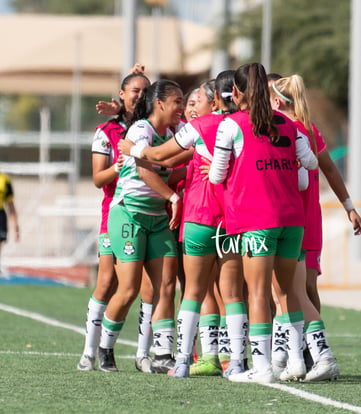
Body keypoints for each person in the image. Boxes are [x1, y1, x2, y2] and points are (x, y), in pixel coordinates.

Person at [120, 70, 248, 379]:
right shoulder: (249, 125)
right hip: (232, 219)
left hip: (199, 216)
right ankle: (240, 362)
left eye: (196, 100)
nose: (189, 107)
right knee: (233, 294)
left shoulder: (199, 127)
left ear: (216, 98)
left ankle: (180, 363)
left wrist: (132, 149)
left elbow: (162, 157)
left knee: (193, 290)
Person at [207, 62, 318, 384]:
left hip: (255, 220)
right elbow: (308, 166)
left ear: (236, 92)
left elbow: (216, 174)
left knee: (256, 293)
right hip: (292, 220)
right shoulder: (287, 124)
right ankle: (296, 361)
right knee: (287, 293)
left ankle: (263, 367)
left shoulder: (231, 125)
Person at [97, 79, 186, 373]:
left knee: (166, 287)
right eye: (177, 101)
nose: (182, 108)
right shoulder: (140, 130)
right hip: (129, 214)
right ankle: (105, 348)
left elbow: (173, 163)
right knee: (129, 288)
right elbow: (144, 170)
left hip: (157, 218)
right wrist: (172, 196)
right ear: (159, 103)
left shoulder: (173, 132)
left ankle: (162, 355)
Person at [77, 71, 151, 371]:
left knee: (151, 287)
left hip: (152, 211)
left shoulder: (154, 126)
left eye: (145, 91)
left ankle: (144, 354)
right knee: (107, 282)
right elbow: (98, 178)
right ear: (121, 93)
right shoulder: (106, 131)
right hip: (117, 213)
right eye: (134, 90)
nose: (140, 96)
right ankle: (89, 352)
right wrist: (119, 167)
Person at [271, 75, 361, 313]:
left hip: (301, 219)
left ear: (277, 102)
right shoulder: (274, 130)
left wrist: (349, 206)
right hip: (286, 218)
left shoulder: (305, 130)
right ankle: (294, 343)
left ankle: (311, 344)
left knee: (302, 288)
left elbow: (330, 169)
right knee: (292, 288)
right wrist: (349, 206)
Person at [0, 172, 19, 275]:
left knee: (0, 241)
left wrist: (16, 226)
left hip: (0, 213)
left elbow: (10, 204)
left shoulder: (5, 180)